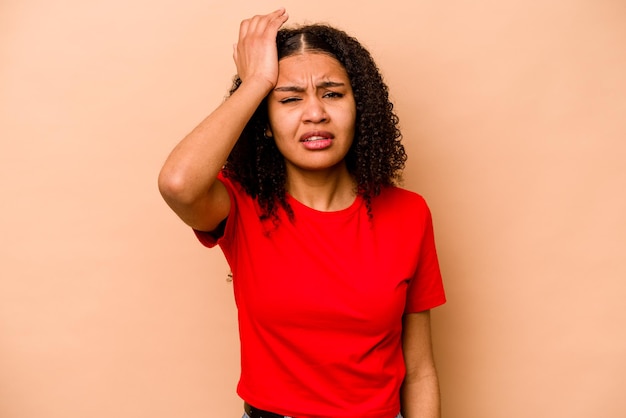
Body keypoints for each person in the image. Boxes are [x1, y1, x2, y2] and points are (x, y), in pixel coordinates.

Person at [158, 8, 446, 418]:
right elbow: (178, 184)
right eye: (290, 99)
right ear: (266, 122)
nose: (315, 113)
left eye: (332, 93)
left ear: (360, 108)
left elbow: (419, 371)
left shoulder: (408, 212)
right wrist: (256, 81)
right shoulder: (242, 204)